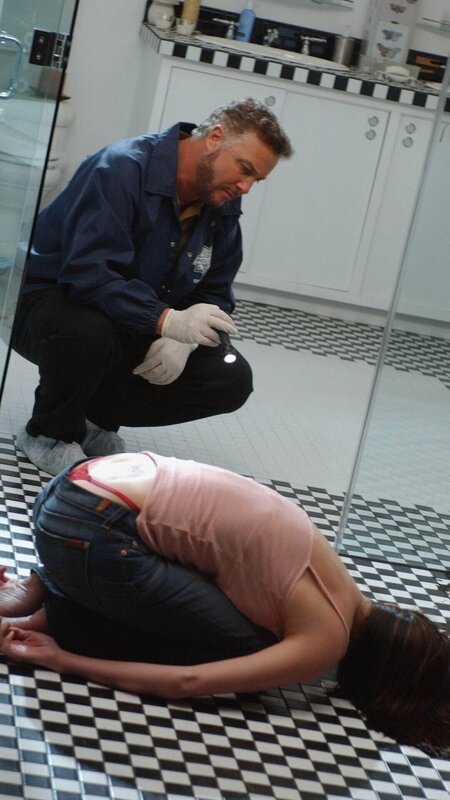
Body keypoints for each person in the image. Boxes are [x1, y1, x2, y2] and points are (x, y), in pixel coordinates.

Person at [0, 451, 449, 754]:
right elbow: (189, 682)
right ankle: (56, 613)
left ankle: (44, 584)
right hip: (89, 529)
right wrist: (63, 660)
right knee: (249, 652)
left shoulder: (340, 583)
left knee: (220, 583)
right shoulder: (328, 639)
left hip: (73, 487)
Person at [11, 98, 293, 475]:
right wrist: (167, 321)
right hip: (46, 303)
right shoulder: (120, 170)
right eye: (244, 169)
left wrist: (185, 340)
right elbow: (88, 275)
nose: (246, 187)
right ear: (214, 138)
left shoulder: (220, 208)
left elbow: (215, 291)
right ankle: (48, 431)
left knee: (230, 378)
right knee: (90, 331)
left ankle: (94, 419)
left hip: (129, 317)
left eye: (256, 180)